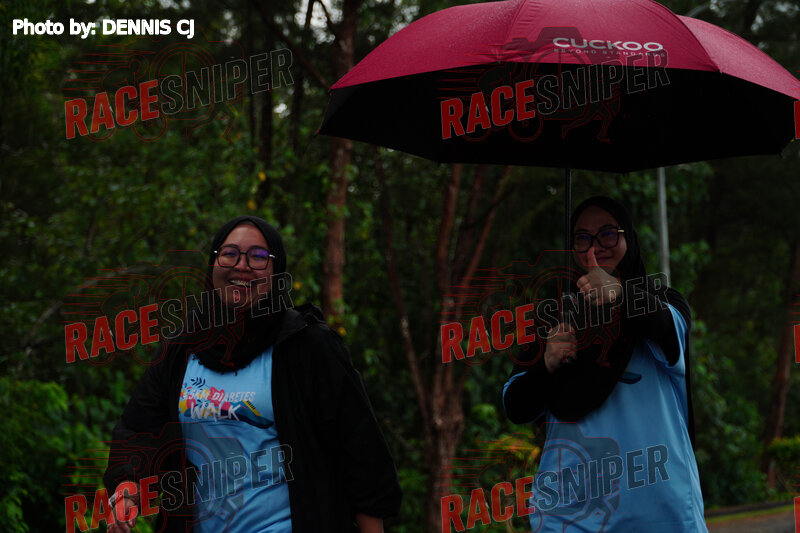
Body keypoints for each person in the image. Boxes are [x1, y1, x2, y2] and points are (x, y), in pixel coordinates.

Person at [104, 215, 402, 532]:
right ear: (213, 263)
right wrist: (126, 492)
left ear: (276, 271)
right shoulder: (181, 347)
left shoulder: (308, 346)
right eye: (229, 253)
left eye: (258, 257)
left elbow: (361, 454)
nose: (242, 266)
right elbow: (138, 430)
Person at [502, 196, 707, 532]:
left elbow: (668, 330)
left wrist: (620, 294)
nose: (594, 247)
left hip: (659, 510)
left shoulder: (664, 302)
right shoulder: (553, 320)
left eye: (609, 234)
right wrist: (546, 365)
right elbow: (515, 405)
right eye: (582, 237)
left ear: (630, 240)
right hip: (571, 514)